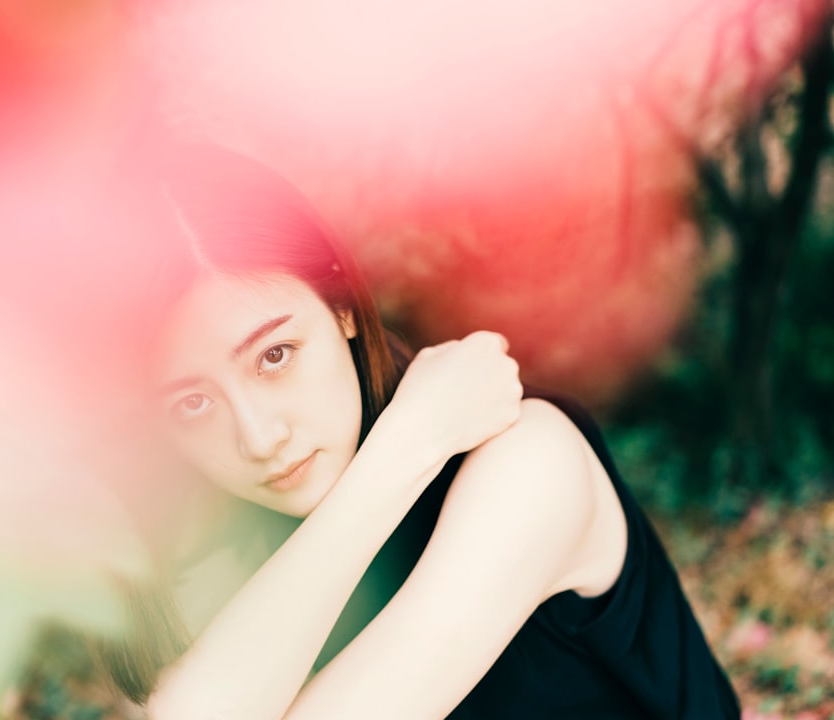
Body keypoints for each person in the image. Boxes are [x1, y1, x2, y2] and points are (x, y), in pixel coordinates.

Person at [103, 142, 741, 719]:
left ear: (343, 308)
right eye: (192, 404)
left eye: (275, 356)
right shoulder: (208, 557)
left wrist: (415, 445)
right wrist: (407, 444)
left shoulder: (528, 460)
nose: (260, 438)